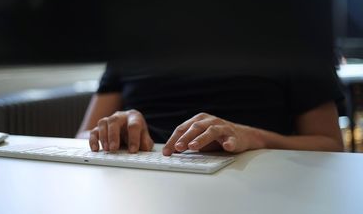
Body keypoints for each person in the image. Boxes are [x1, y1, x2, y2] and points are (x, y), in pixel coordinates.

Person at [76, 59, 345, 156]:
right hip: (140, 192)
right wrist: (114, 130)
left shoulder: (292, 33)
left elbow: (330, 145)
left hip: (252, 190)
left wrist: (256, 138)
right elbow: (82, 137)